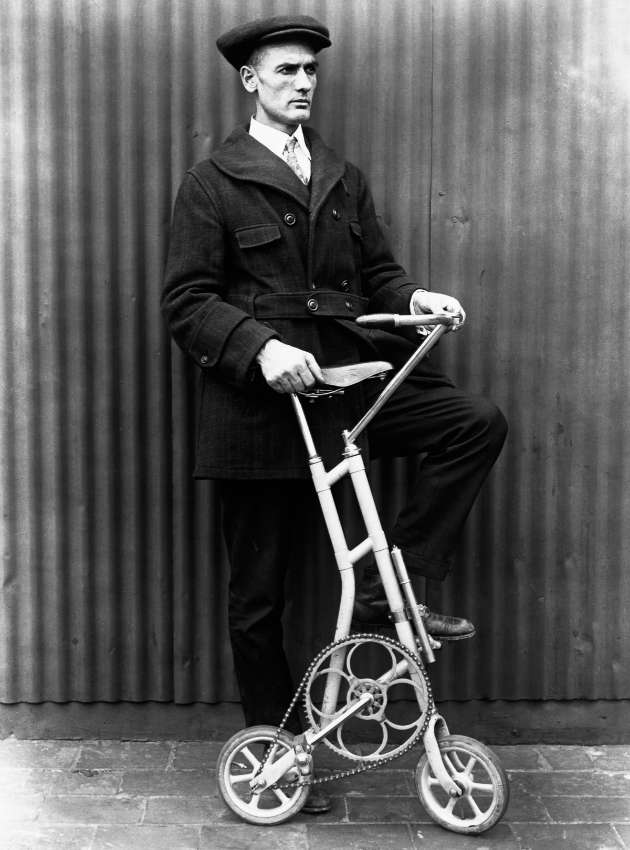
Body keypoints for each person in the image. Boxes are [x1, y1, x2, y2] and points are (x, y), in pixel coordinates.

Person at [162, 14, 507, 813]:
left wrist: (417, 300)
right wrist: (259, 348)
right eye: (286, 70)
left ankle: (391, 587)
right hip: (260, 413)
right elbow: (187, 301)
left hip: (347, 393)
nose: (303, 82)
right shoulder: (212, 182)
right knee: (258, 599)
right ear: (249, 79)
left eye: (310, 71)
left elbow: (379, 274)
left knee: (473, 420)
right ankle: (278, 757)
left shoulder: (343, 178)